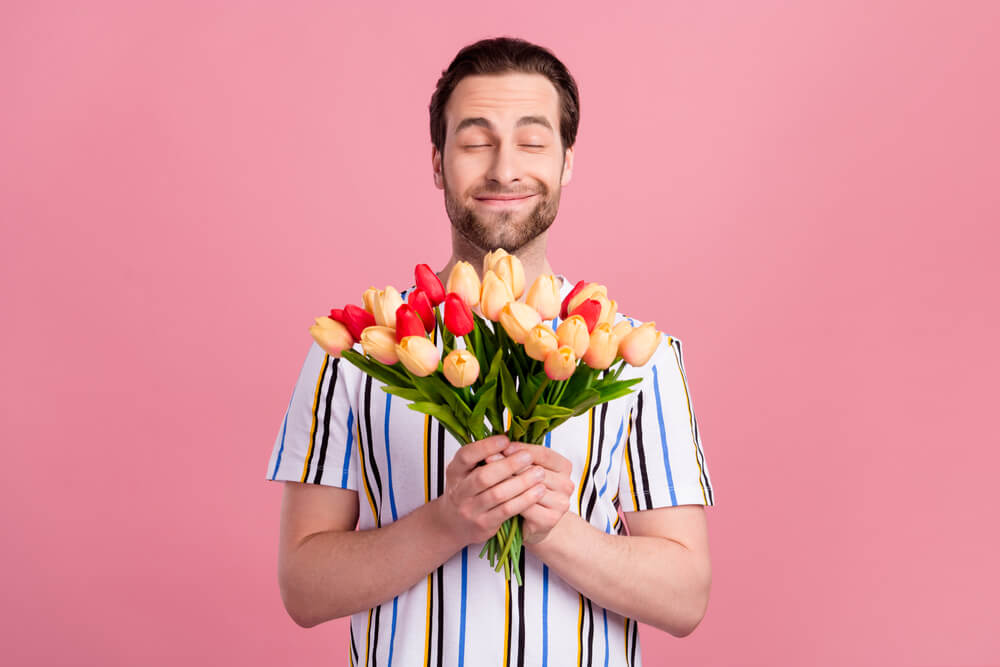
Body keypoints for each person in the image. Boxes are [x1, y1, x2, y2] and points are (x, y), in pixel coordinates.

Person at [265, 36, 715, 666]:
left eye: (532, 142)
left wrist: (555, 529)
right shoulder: (359, 347)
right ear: (436, 161)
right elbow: (303, 589)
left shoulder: (637, 353)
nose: (504, 169)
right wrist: (450, 520)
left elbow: (686, 598)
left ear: (566, 163)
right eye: (475, 142)